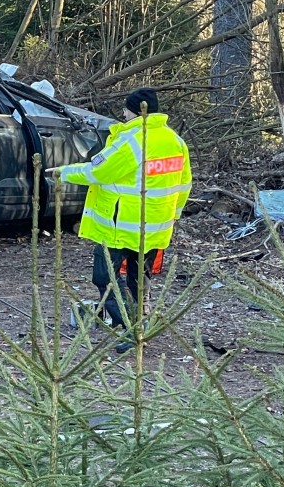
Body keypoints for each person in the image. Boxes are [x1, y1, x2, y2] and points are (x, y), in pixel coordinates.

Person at [51, 87, 191, 343]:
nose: (122, 114)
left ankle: (129, 329)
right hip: (155, 227)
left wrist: (64, 172)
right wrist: (173, 216)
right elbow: (184, 184)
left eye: (125, 109)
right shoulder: (175, 141)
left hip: (119, 226)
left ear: (136, 111)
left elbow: (99, 172)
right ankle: (140, 324)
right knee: (140, 278)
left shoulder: (134, 140)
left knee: (105, 278)